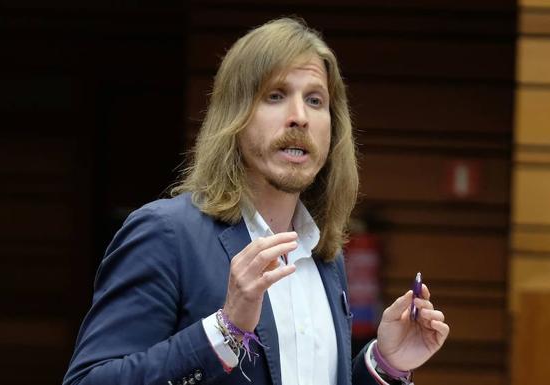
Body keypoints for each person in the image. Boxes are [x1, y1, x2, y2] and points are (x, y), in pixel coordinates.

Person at [63, 17, 449, 385]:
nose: (299, 116)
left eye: (315, 100)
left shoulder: (325, 258)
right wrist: (224, 332)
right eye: (275, 96)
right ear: (235, 116)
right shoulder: (166, 235)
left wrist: (385, 364)